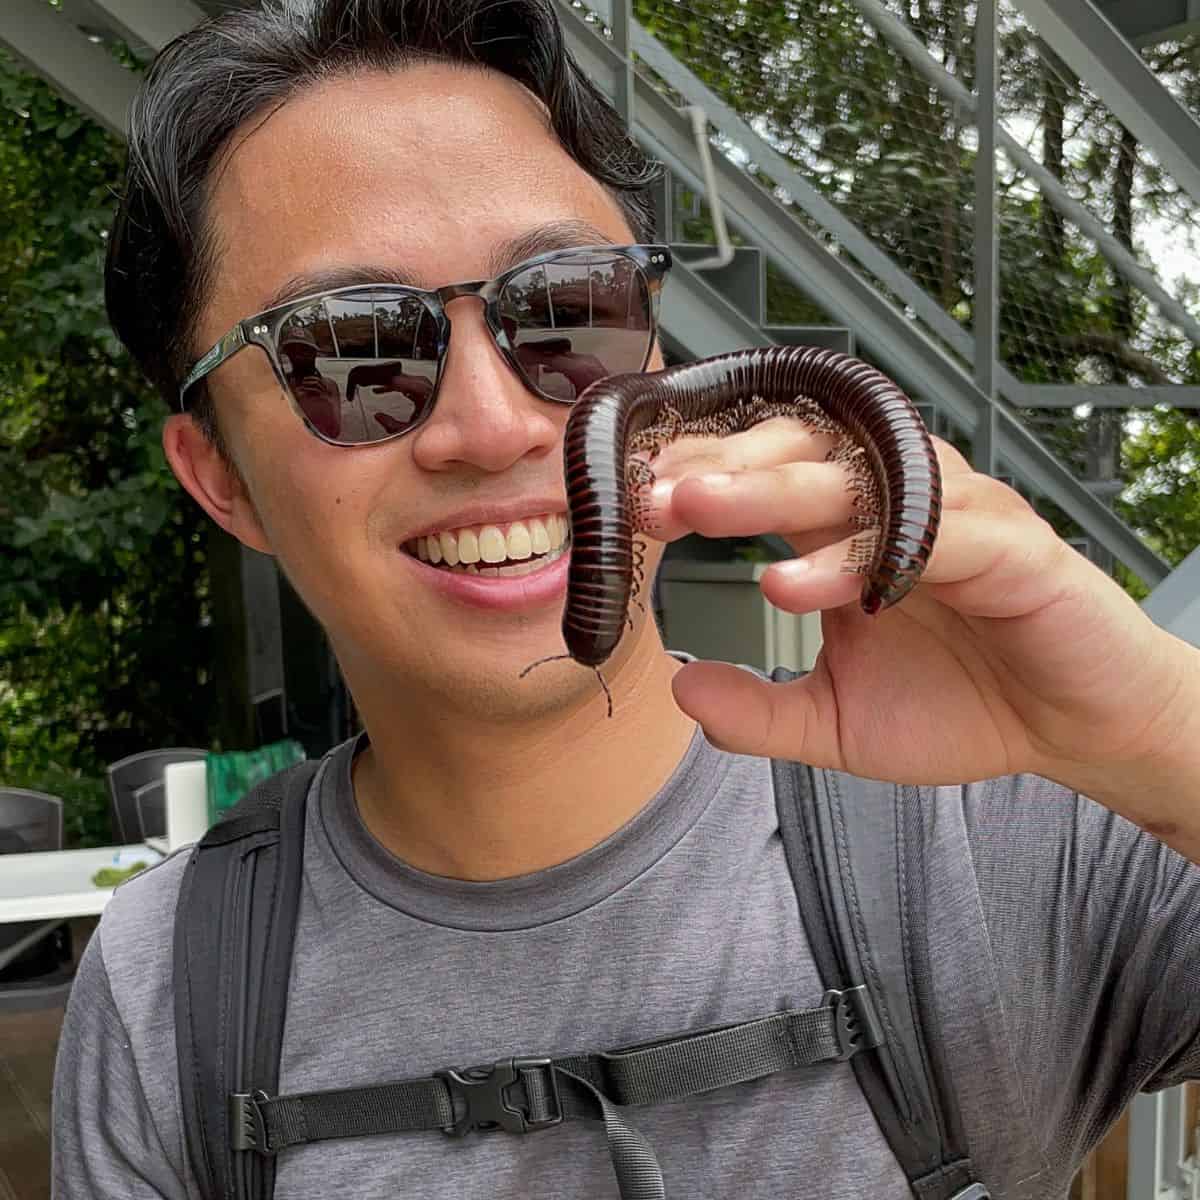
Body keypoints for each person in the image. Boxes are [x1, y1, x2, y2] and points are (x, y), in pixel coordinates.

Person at [53, 0, 1199, 1196]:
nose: (494, 426)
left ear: (656, 351)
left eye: (567, 308)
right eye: (350, 349)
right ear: (219, 475)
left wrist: (1160, 729)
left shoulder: (1005, 827)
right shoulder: (169, 998)